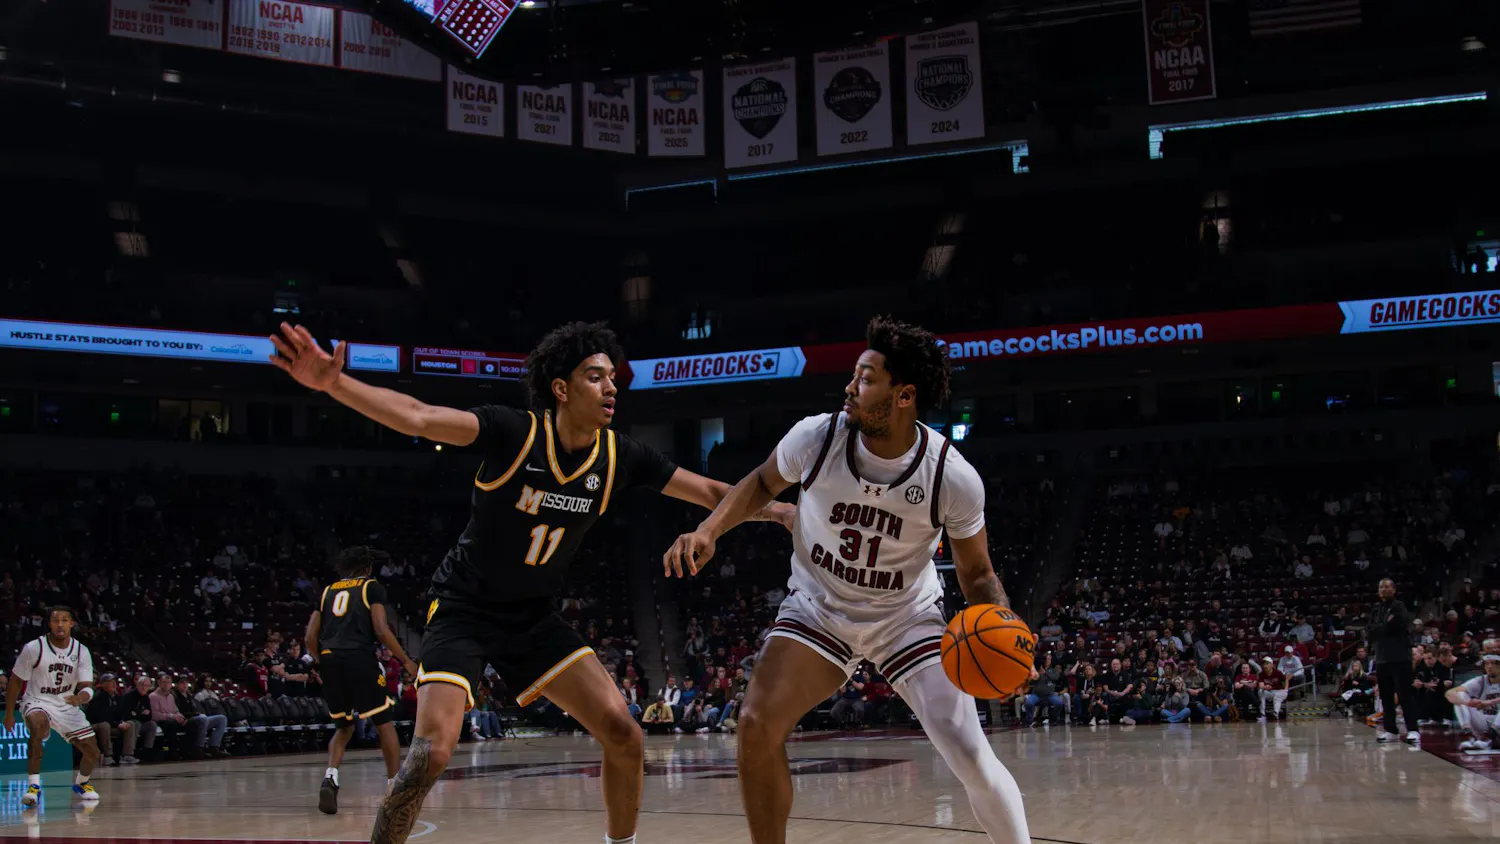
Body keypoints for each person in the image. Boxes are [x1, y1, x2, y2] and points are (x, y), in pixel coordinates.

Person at [269, 320, 791, 844]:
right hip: (463, 609)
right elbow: (419, 416)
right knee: (432, 752)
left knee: (625, 734)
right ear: (561, 389)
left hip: (533, 617)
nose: (611, 387)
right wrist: (333, 383)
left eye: (612, 377)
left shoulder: (619, 455)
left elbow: (710, 490)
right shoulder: (513, 432)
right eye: (594, 376)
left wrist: (784, 513)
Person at [664, 316, 1031, 844]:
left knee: (970, 755)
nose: (850, 387)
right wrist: (709, 529)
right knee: (755, 725)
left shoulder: (950, 475)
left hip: (906, 617)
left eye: (865, 378)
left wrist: (1011, 628)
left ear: (903, 396)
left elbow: (977, 575)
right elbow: (761, 483)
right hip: (819, 609)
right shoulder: (817, 437)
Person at [304, 546, 419, 815]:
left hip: (330, 659)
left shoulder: (327, 591)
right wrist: (407, 660)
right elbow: (380, 628)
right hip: (359, 658)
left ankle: (331, 777)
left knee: (343, 728)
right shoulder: (371, 587)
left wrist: (324, 662)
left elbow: (310, 638)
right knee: (383, 723)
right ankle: (395, 789)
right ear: (367, 567)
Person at [3, 607, 102, 805]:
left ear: (71, 624)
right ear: (49, 624)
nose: (60, 624)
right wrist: (9, 714)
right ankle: (33, 787)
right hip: (37, 700)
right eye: (56, 620)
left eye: (64, 620)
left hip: (66, 704)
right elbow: (15, 681)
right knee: (38, 726)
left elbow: (86, 687)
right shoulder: (34, 647)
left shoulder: (81, 651)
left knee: (92, 752)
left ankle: (82, 783)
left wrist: (80, 698)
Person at [1366, 578, 1419, 743]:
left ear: (1394, 590)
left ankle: (1413, 730)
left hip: (1401, 657)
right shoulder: (1375, 609)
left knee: (1405, 695)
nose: (1384, 589)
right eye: (1381, 587)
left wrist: (1380, 627)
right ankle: (1391, 730)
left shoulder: (1399, 606)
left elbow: (1396, 624)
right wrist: (1382, 626)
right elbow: (1370, 630)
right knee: (1386, 697)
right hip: (1382, 658)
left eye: (1387, 586)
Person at [1445, 654, 1500, 750]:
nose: (1490, 667)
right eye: (1487, 664)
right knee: (1460, 694)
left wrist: (1488, 702)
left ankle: (1491, 737)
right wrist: (1467, 703)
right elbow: (1449, 693)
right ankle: (1469, 734)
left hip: (1497, 724)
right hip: (1484, 723)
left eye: (1493, 664)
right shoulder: (1481, 681)